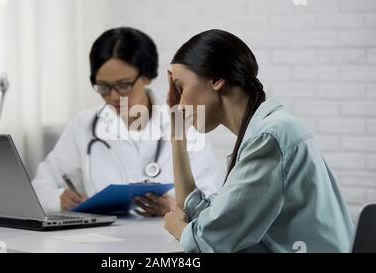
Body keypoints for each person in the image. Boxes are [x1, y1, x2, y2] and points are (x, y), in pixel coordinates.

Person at [164, 29, 353, 252]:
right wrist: (178, 134)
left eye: (180, 88)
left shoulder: (270, 137)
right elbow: (207, 218)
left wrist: (178, 227)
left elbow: (209, 241)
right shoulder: (263, 132)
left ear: (216, 79)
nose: (180, 103)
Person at [32, 27, 222, 216]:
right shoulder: (84, 125)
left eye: (124, 85)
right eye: (104, 87)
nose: (114, 96)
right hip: (102, 241)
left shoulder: (184, 122)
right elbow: (40, 186)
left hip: (168, 240)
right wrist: (58, 198)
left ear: (146, 76)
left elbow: (210, 196)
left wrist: (176, 207)